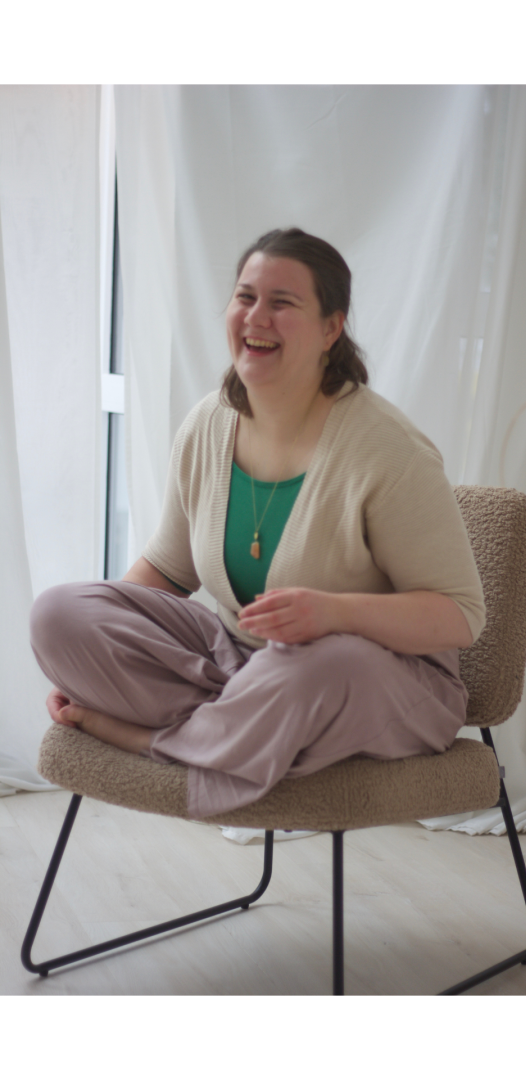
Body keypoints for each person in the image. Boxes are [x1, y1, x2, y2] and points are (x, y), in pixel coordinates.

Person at [30, 228, 486, 820]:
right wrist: (88, 659)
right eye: (245, 297)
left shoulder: (388, 451)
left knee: (320, 667)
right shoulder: (208, 424)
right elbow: (167, 571)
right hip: (240, 663)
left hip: (374, 680)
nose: (256, 317)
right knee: (58, 613)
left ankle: (151, 740)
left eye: (282, 302)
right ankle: (243, 728)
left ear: (331, 328)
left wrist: (335, 613)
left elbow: (460, 615)